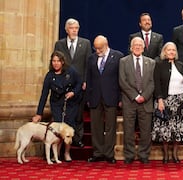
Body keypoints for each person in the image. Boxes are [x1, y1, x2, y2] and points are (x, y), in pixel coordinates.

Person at [32, 51, 82, 162]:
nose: (56, 63)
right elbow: (44, 95)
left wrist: (73, 92)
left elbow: (79, 83)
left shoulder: (71, 71)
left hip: (70, 103)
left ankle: (67, 153)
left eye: (58, 61)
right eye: (54, 61)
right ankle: (56, 154)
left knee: (68, 128)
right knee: (58, 128)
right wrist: (39, 113)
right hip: (56, 104)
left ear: (62, 62)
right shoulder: (49, 76)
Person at [54, 18, 92, 148]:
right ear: (66, 29)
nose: (74, 30)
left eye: (76, 28)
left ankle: (77, 138)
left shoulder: (85, 43)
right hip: (63, 84)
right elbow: (56, 63)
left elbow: (88, 64)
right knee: (65, 114)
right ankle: (62, 140)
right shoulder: (59, 44)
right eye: (71, 28)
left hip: (80, 84)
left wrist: (86, 80)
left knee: (78, 113)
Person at [85, 35, 124, 164]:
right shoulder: (91, 58)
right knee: (95, 126)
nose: (97, 51)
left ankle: (108, 153)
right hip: (95, 97)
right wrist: (88, 97)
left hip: (111, 96)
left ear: (106, 45)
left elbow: (120, 79)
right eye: (95, 48)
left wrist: (120, 98)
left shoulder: (118, 56)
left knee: (110, 127)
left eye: (100, 48)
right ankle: (97, 153)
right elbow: (89, 79)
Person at [152, 42, 183, 164]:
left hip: (180, 100)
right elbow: (156, 83)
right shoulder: (159, 65)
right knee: (165, 129)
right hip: (165, 100)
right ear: (164, 52)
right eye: (169, 50)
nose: (171, 52)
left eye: (173, 50)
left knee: (178, 129)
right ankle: (165, 154)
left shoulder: (180, 64)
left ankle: (175, 153)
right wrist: (159, 99)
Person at [119, 37, 155, 164]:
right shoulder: (123, 61)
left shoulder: (151, 63)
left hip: (146, 101)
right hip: (129, 101)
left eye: (140, 45)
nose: (138, 47)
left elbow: (152, 82)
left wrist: (144, 96)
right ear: (131, 47)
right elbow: (122, 82)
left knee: (146, 131)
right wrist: (135, 96)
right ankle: (129, 155)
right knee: (128, 130)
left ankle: (144, 154)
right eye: (135, 45)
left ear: (144, 47)